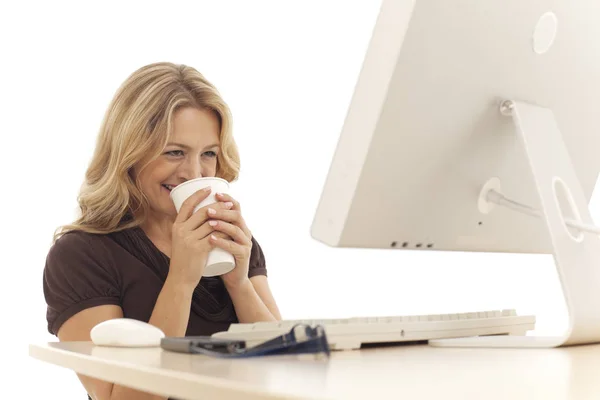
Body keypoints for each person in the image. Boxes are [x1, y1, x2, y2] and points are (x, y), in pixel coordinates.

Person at [42, 62, 282, 400]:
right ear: (129, 153)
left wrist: (239, 283)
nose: (193, 172)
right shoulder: (81, 256)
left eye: (208, 154)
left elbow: (287, 371)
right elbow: (120, 397)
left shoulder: (231, 239)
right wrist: (181, 281)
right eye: (174, 152)